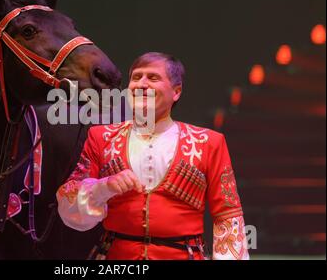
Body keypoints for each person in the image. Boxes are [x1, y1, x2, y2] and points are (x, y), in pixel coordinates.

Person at [56, 52, 249, 260]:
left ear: (176, 91)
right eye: (136, 77)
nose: (142, 84)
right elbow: (69, 207)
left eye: (153, 78)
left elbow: (228, 218)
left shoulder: (209, 142)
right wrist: (104, 187)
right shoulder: (101, 137)